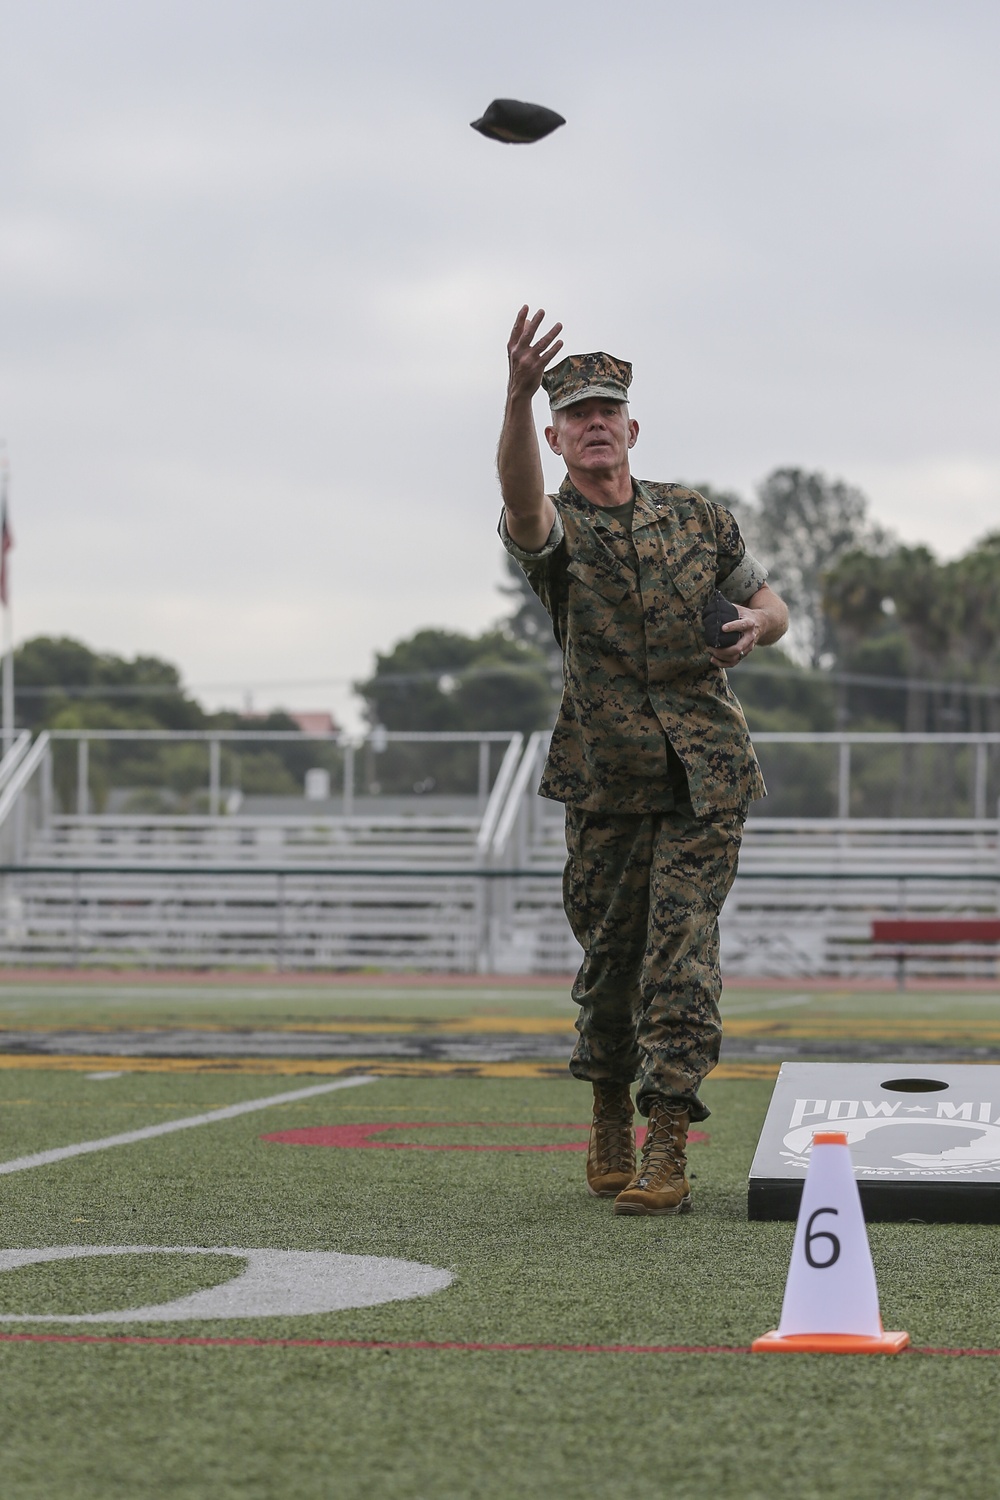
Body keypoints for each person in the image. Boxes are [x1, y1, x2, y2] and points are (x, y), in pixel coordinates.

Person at [497, 306, 789, 1216]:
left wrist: (759, 626)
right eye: (574, 412)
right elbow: (518, 502)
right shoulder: (558, 531)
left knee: (681, 953)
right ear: (555, 436)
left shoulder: (697, 518)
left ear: (631, 428)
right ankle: (609, 1114)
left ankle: (668, 1139)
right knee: (612, 960)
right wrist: (511, 394)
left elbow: (770, 602)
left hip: (707, 776)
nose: (593, 423)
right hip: (606, 779)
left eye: (606, 410)